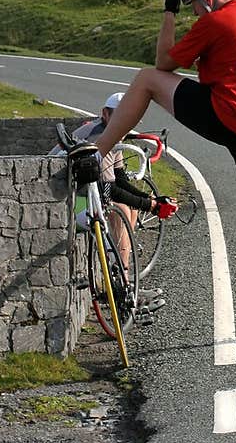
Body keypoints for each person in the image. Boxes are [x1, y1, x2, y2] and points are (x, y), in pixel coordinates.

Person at [90, 0, 236, 341]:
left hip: (228, 114)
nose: (195, 13)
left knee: (148, 80)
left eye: (195, 5)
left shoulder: (216, 20)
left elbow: (164, 62)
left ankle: (98, 151)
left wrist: (169, 11)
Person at [73, 92, 175, 312]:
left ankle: (127, 284)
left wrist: (151, 200)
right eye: (119, 116)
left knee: (131, 211)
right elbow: (108, 190)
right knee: (118, 209)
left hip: (84, 195)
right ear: (105, 114)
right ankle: (127, 291)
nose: (125, 121)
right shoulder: (99, 139)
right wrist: (151, 206)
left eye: (129, 116)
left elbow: (118, 179)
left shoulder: (114, 134)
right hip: (67, 202)